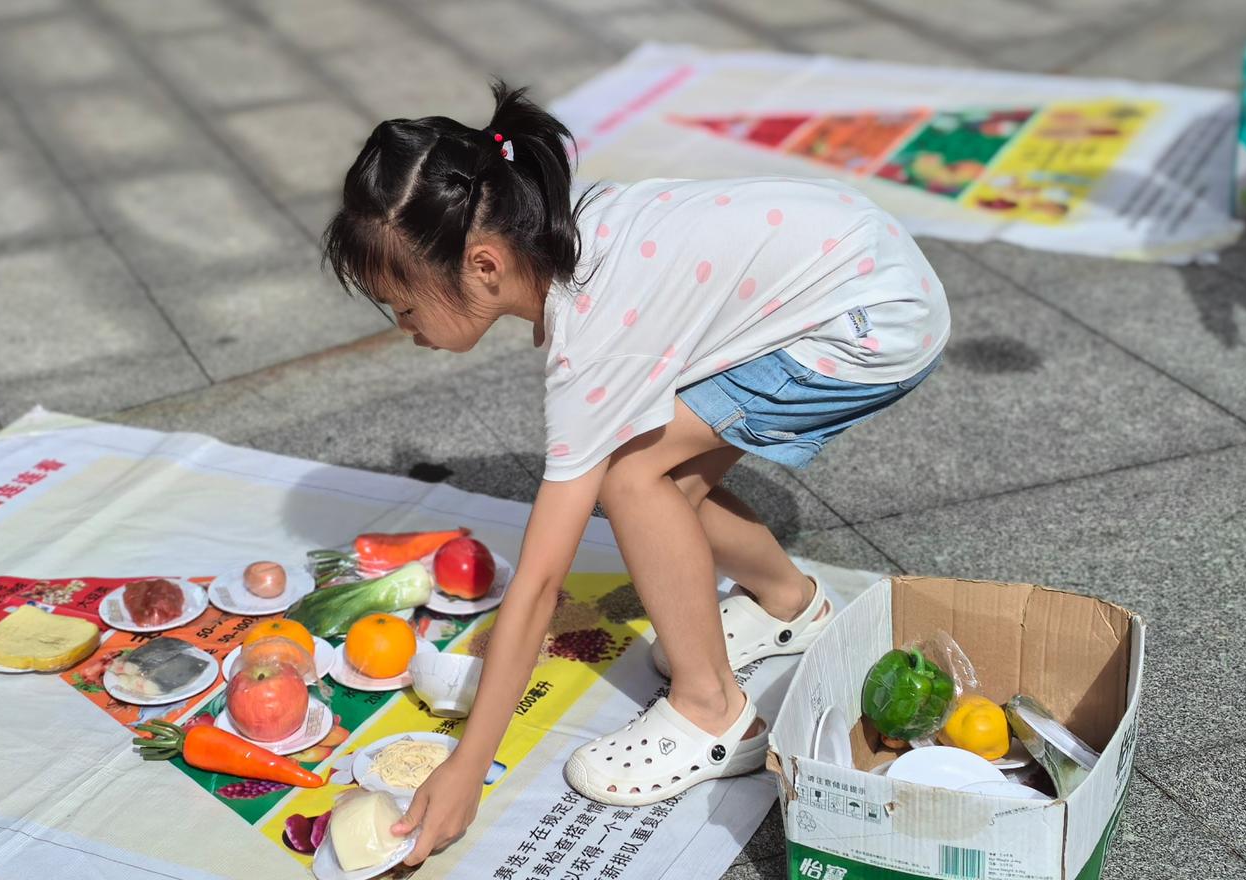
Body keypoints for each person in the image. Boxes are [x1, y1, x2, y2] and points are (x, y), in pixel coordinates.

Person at [320, 82, 948, 866]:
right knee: (661, 492)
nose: (405, 330)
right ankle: (791, 602)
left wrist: (465, 770)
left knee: (631, 481)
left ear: (482, 266)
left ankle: (713, 710)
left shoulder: (592, 343)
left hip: (868, 326)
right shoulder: (570, 232)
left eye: (403, 308)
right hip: (861, 266)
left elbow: (540, 588)